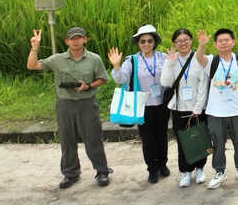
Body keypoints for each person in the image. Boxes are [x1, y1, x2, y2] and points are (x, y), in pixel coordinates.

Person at [26, 27, 112, 188]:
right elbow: (32, 65)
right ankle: (70, 173)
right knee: (67, 140)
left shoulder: (94, 59)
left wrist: (88, 86)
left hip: (87, 104)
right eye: (72, 38)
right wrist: (35, 47)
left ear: (85, 39)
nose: (76, 41)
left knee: (93, 139)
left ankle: (102, 171)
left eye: (79, 38)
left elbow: (103, 78)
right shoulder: (57, 59)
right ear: (67, 41)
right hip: (65, 105)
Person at [193, 28, 238, 189]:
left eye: (227, 40)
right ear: (215, 44)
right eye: (220, 41)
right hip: (215, 112)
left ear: (233, 42)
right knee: (218, 144)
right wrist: (201, 46)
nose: (224, 43)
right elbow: (199, 58)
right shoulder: (211, 61)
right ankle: (219, 172)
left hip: (237, 110)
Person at [107, 25, 170, 184]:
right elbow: (120, 79)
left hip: (162, 104)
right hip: (143, 106)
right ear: (138, 43)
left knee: (162, 137)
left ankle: (163, 164)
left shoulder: (163, 57)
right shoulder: (132, 61)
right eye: (143, 41)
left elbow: (171, 76)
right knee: (148, 139)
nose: (147, 44)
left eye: (150, 40)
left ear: (154, 42)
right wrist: (116, 66)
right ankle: (152, 169)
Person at [160, 28, 209, 186]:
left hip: (197, 107)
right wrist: (169, 64)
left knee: (200, 138)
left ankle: (200, 169)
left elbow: (203, 84)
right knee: (183, 141)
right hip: (179, 107)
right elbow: (166, 83)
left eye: (186, 39)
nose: (183, 43)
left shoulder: (199, 58)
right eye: (179, 41)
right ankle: (186, 172)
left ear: (191, 40)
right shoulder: (171, 60)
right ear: (174, 43)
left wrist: (199, 107)